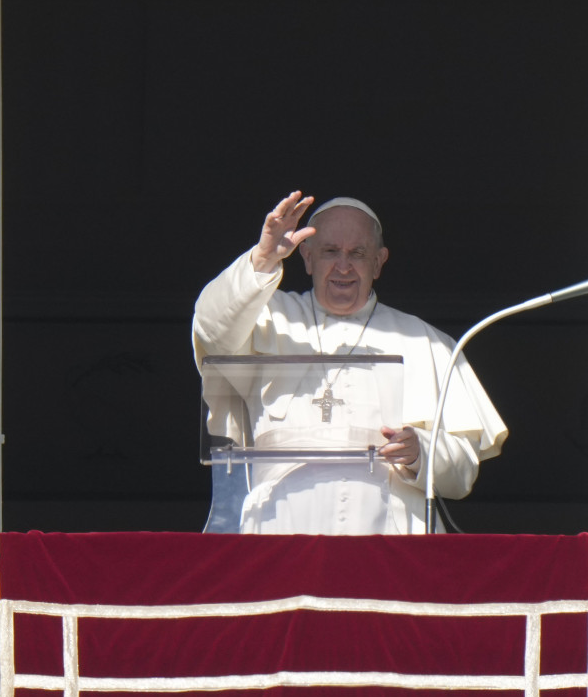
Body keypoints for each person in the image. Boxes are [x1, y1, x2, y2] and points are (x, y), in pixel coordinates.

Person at [193, 191, 507, 534]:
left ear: (379, 261)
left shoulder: (427, 342)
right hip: (280, 526)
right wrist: (263, 259)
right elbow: (210, 329)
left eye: (357, 253)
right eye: (330, 252)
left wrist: (421, 452)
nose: (343, 266)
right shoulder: (265, 318)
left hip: (389, 537)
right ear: (307, 257)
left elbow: (463, 473)